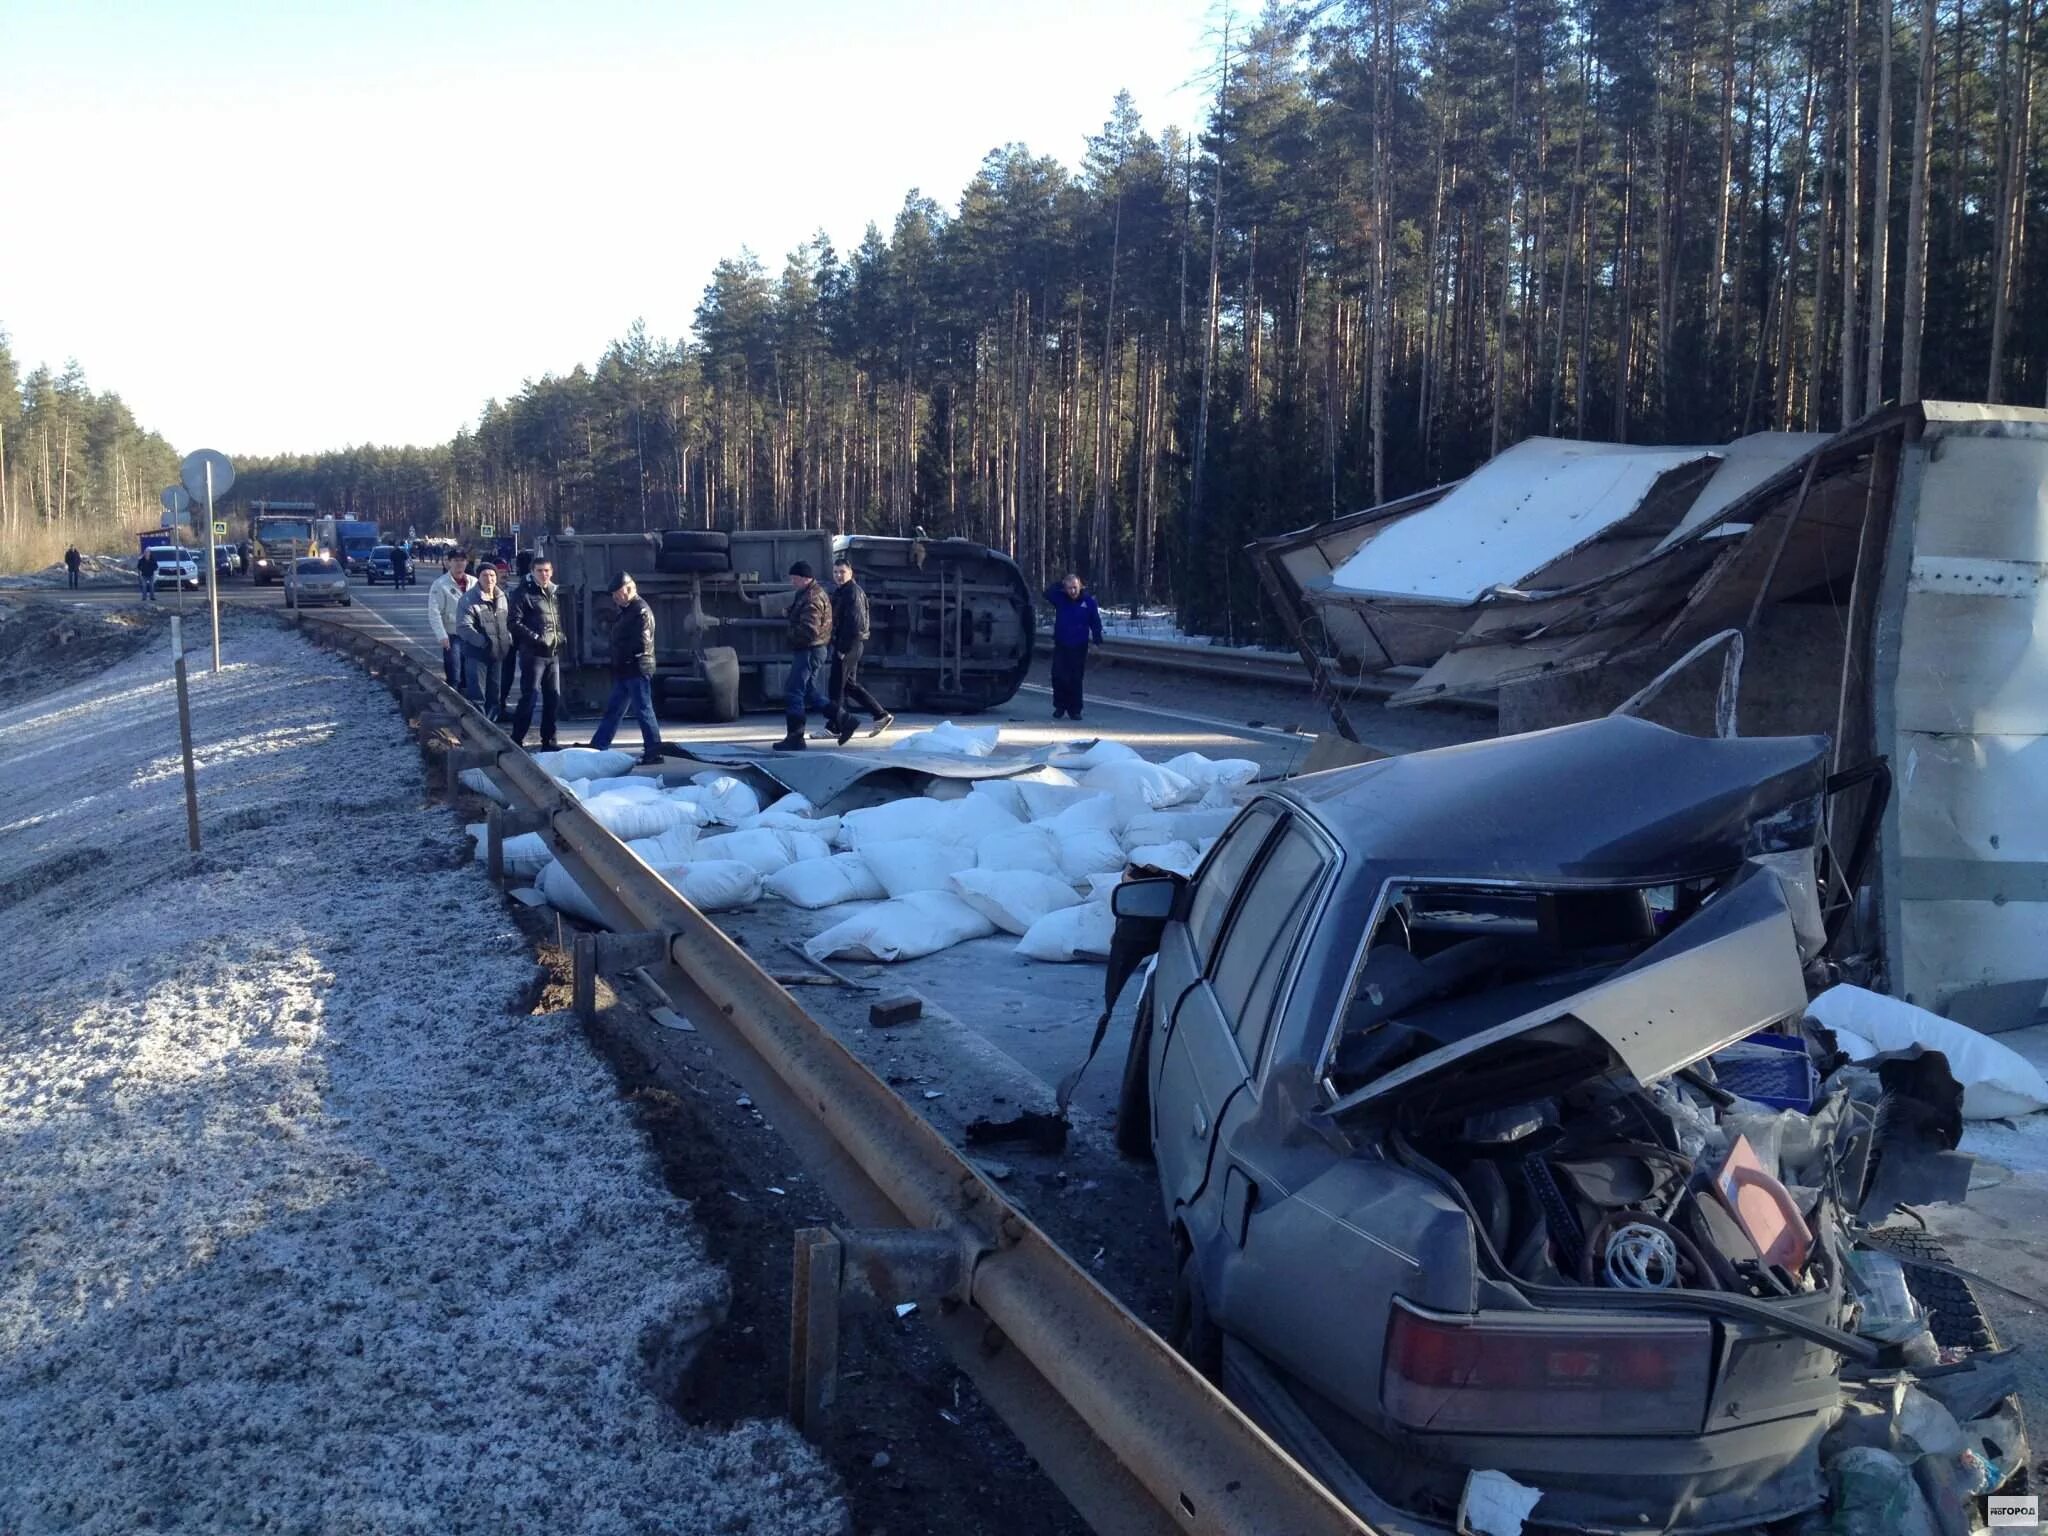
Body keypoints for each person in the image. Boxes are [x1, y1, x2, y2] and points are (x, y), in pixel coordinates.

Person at [588, 572, 664, 764]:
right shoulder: (629, 610)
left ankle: (654, 751)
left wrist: (626, 656)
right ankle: (598, 745)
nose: (614, 599)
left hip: (636, 668)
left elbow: (641, 642)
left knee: (643, 710)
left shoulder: (640, 611)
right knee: (614, 710)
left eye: (617, 594)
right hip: (626, 669)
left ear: (628, 589)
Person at [826, 554, 892, 744]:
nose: (838, 575)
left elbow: (854, 624)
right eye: (836, 572)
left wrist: (843, 648)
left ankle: (835, 726)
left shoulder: (852, 593)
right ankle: (880, 715)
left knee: (836, 685)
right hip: (849, 644)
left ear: (850, 573)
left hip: (849, 645)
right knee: (849, 685)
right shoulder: (843, 591)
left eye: (842, 572)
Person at [773, 560, 836, 752]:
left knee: (794, 691)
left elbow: (810, 629)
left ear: (804, 578)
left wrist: (790, 635)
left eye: (794, 579)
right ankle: (844, 719)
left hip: (809, 649)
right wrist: (790, 613)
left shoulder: (812, 597)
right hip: (813, 649)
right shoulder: (808, 594)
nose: (792, 582)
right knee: (809, 692)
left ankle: (796, 738)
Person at [507, 555, 563, 751]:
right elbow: (514, 622)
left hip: (552, 654)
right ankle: (517, 740)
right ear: (532, 572)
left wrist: (560, 636)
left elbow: (555, 620)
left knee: (553, 698)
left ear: (552, 571)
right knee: (530, 697)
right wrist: (537, 639)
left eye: (547, 570)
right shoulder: (523, 593)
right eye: (539, 571)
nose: (544, 574)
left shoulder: (553, 592)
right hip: (533, 655)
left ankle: (549, 741)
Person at [457, 563, 515, 721]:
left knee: (494, 693)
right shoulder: (468, 599)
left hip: (498, 653)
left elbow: (507, 621)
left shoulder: (501, 596)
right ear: (479, 578)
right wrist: (484, 643)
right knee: (478, 694)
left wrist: (507, 639)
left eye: (492, 575)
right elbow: (464, 628)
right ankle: (480, 729)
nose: (489, 579)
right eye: (485, 575)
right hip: (477, 653)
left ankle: (493, 727)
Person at [1044, 571, 1103, 721]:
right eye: (1069, 588)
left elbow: (1095, 622)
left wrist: (1096, 642)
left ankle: (1075, 710)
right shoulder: (1060, 599)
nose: (1072, 591)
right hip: (1061, 644)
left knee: (1075, 678)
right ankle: (1060, 706)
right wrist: (1061, 582)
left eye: (1075, 587)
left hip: (1079, 645)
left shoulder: (1088, 602)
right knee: (1058, 677)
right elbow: (1047, 593)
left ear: (1080, 586)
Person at [427, 549, 473, 688]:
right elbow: (434, 612)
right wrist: (442, 635)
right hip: (452, 635)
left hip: (472, 635)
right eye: (455, 560)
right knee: (455, 673)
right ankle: (454, 705)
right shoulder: (440, 584)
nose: (459, 564)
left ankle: (471, 705)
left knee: (471, 675)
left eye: (462, 560)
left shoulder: (474, 582)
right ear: (448, 563)